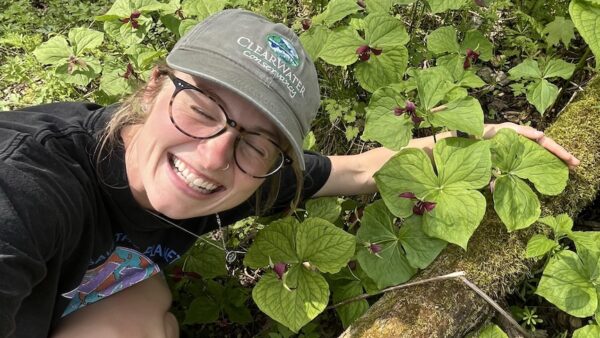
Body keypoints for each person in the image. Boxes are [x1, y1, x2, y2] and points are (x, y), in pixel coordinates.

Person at [0, 8, 579, 338]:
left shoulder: (250, 175)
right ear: (154, 86)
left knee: (150, 322)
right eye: (201, 109)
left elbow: (361, 170)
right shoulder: (30, 185)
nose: (212, 159)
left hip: (87, 285)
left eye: (257, 141)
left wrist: (481, 143)